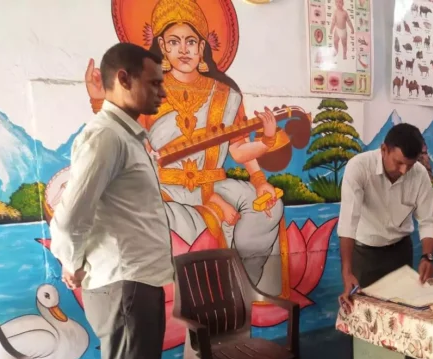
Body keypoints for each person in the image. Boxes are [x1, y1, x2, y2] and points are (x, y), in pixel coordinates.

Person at [50, 43, 190, 359]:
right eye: (154, 82)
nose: (163, 90)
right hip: (121, 285)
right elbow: (69, 218)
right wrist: (71, 263)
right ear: (123, 79)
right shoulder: (105, 137)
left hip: (137, 280)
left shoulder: (127, 135)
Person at [84, 0, 284, 292]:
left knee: (270, 208)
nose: (183, 50)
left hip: (213, 183)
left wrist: (261, 172)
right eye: (174, 42)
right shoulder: (148, 91)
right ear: (163, 47)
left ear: (202, 46)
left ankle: (241, 286)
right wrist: (99, 100)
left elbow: (238, 149)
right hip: (164, 188)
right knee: (169, 219)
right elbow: (121, 132)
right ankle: (192, 293)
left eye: (191, 41)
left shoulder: (226, 95)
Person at [337, 123, 433, 310]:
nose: (404, 171)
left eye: (410, 165)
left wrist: (427, 257)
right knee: (363, 313)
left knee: (402, 312)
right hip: (365, 255)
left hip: (400, 252)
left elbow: (428, 221)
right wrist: (347, 272)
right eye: (398, 163)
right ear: (384, 149)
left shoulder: (419, 174)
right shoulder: (359, 167)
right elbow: (348, 223)